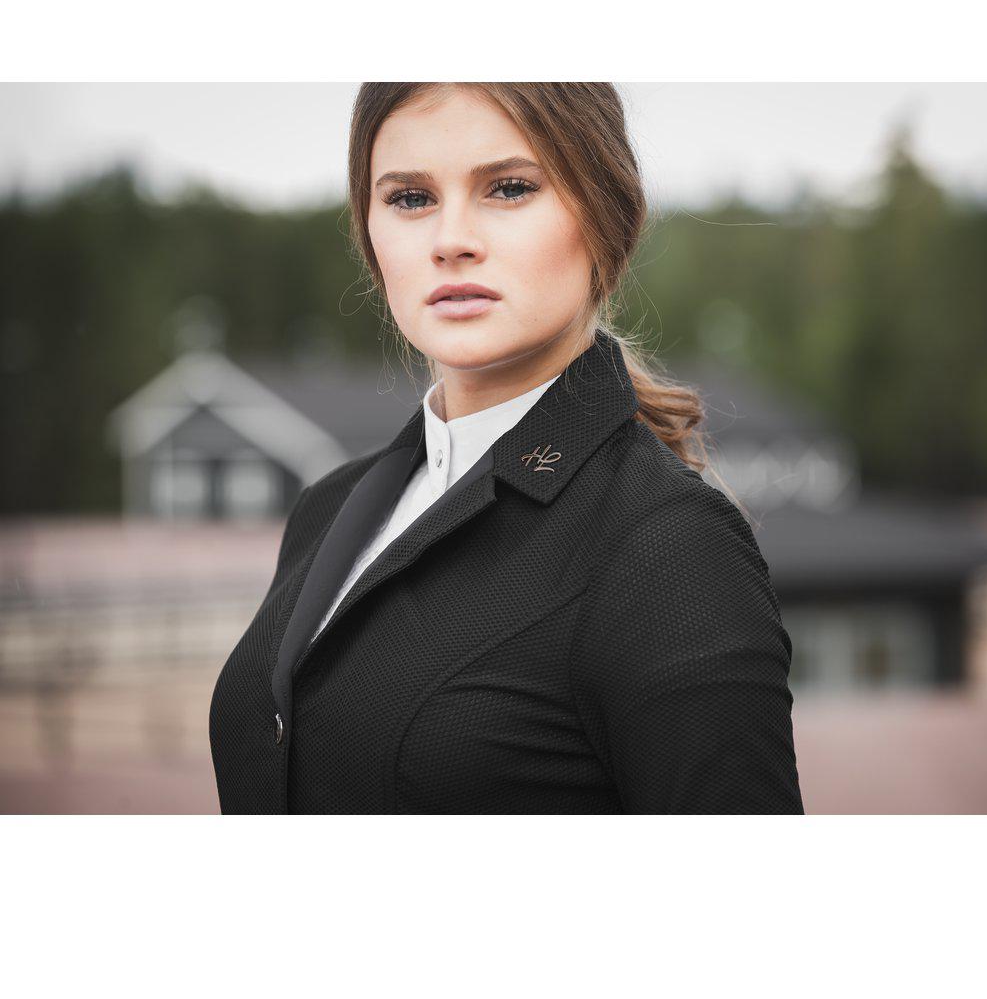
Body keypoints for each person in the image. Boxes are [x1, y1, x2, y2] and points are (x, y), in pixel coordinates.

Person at [209, 82, 805, 814]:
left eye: (510, 188)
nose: (451, 239)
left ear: (607, 216)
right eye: (410, 198)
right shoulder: (327, 508)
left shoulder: (668, 545)